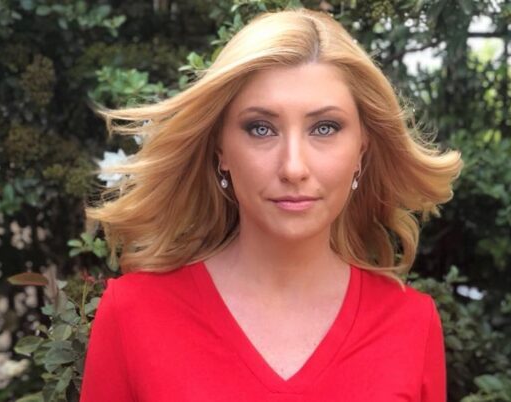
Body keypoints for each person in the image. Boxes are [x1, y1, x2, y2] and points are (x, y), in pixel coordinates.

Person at [79, 8, 462, 402]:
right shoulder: (132, 313)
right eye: (261, 129)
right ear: (221, 150)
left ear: (361, 152)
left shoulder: (412, 324)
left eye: (325, 128)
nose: (293, 168)